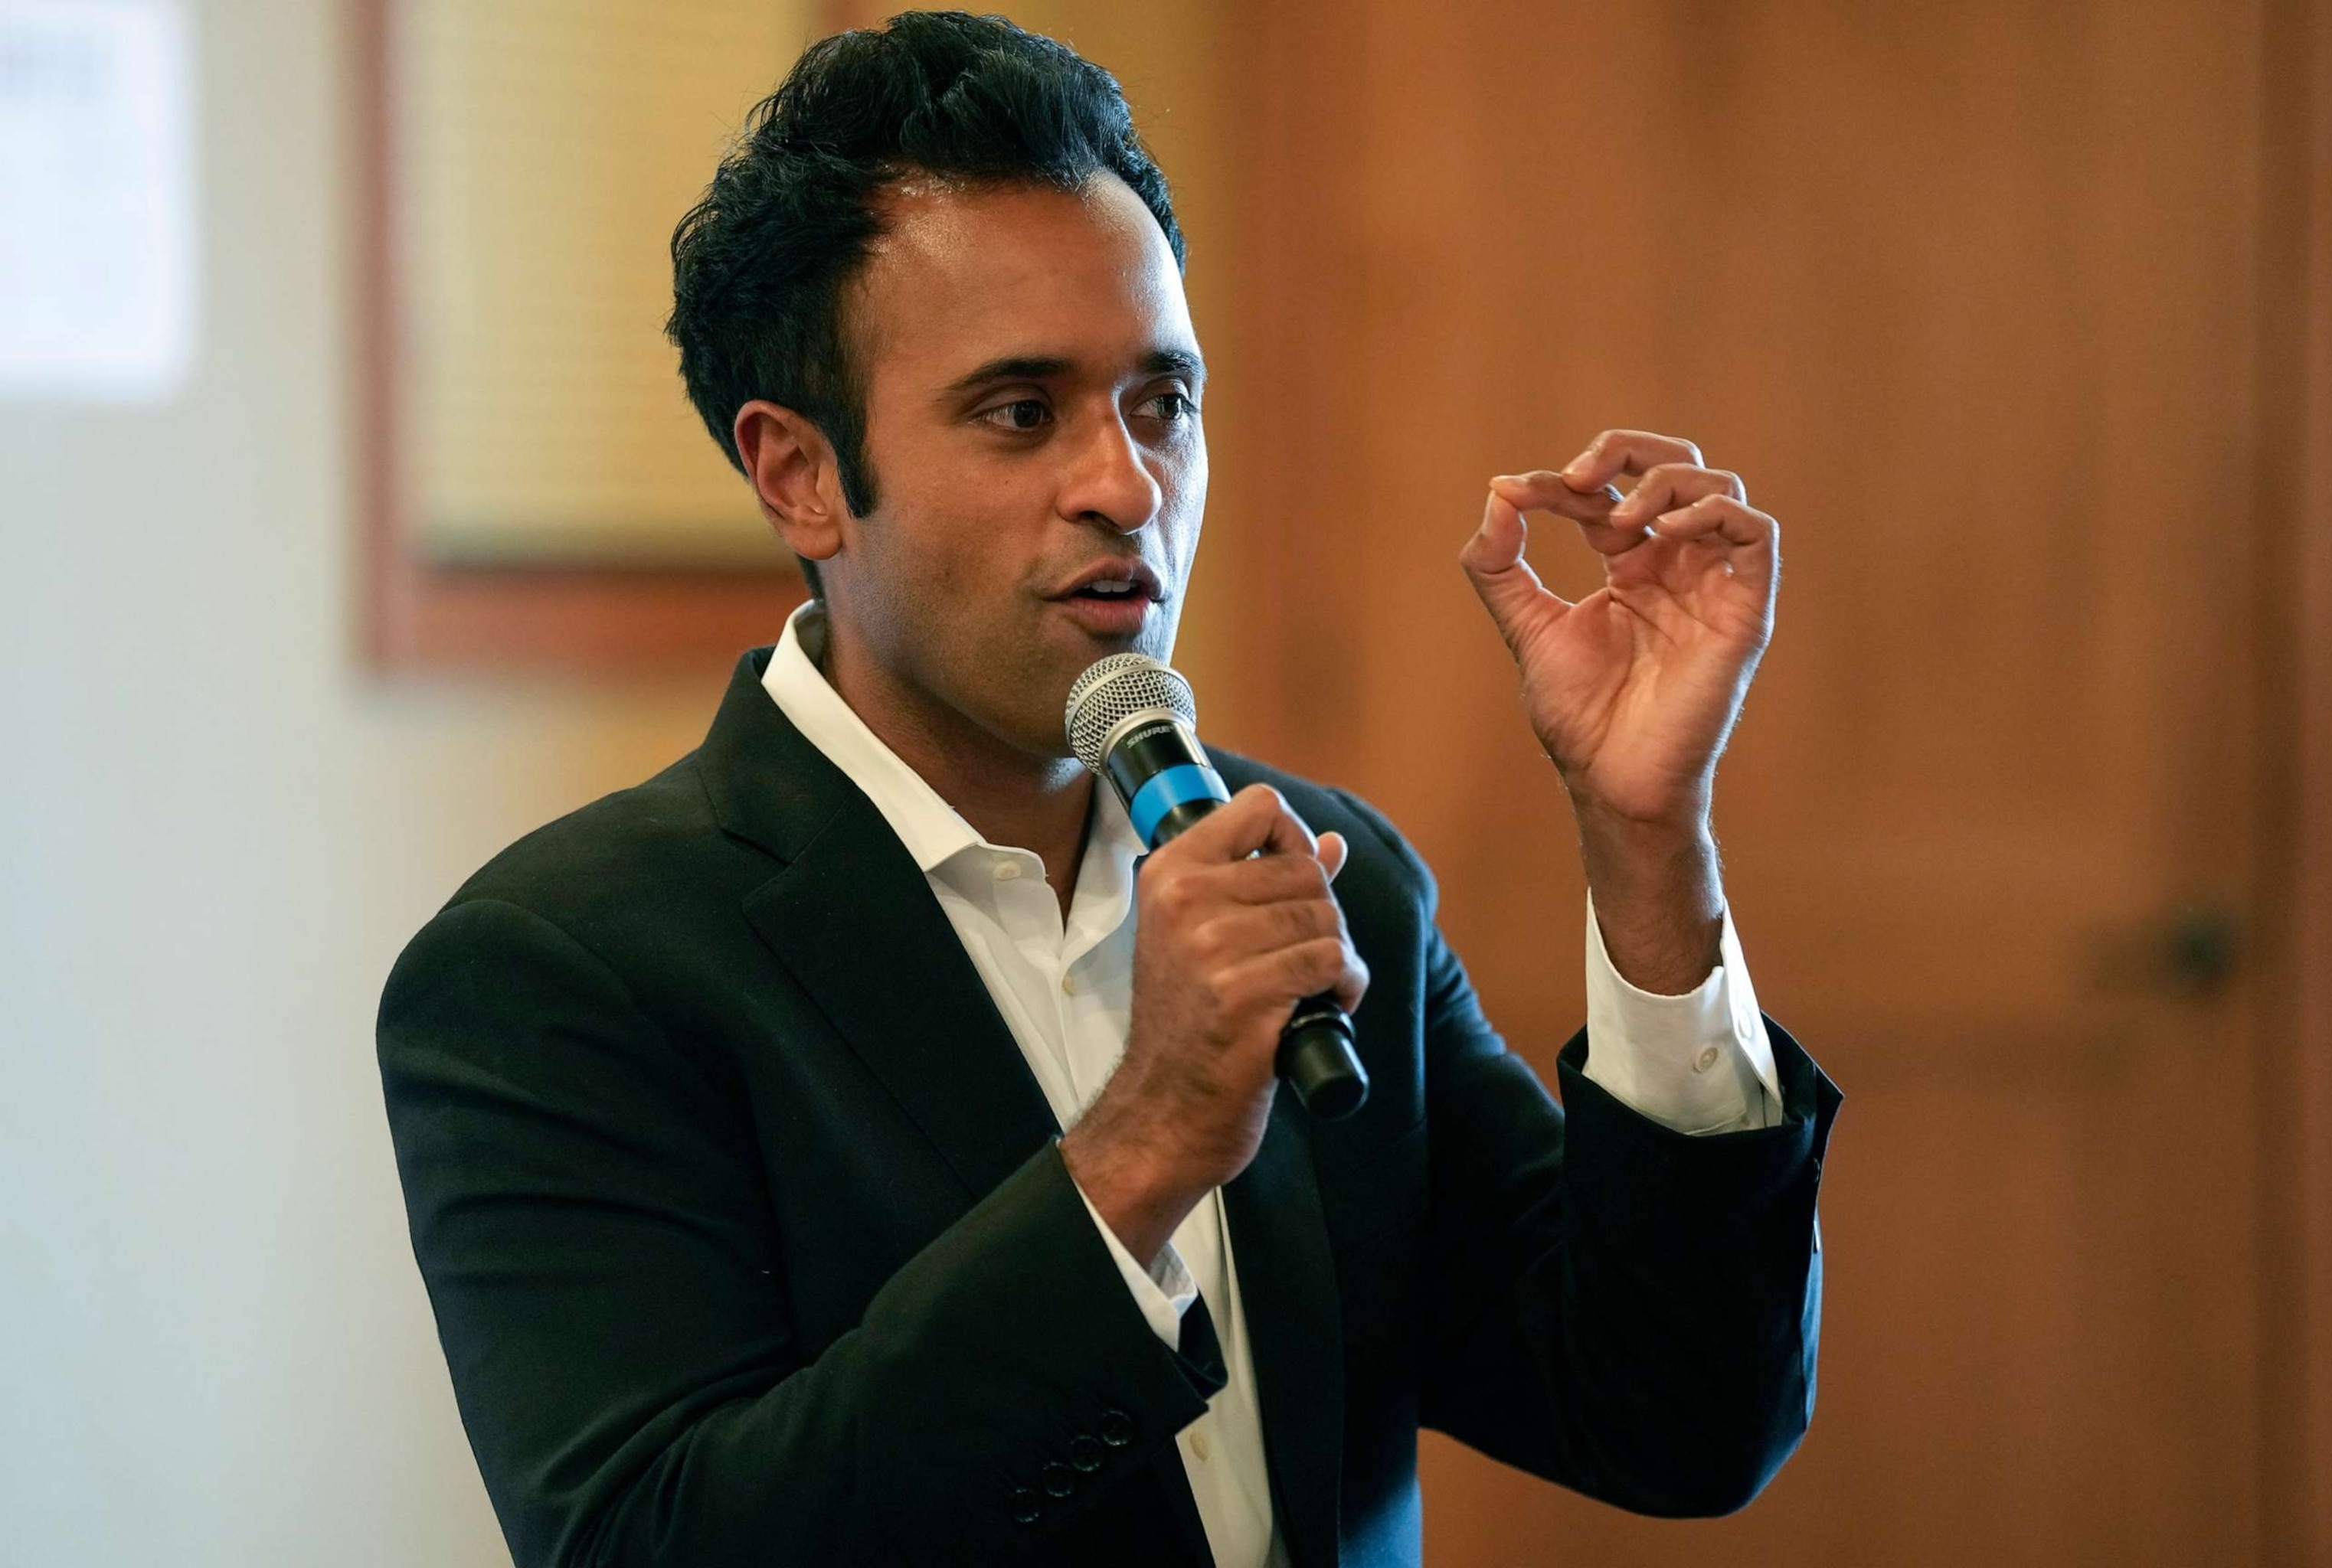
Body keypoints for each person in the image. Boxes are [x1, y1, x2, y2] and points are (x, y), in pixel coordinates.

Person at [376, 12, 1840, 1566]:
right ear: (798, 474)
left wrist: (1646, 839)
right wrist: (1140, 1146)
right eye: (1022, 412)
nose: (1128, 485)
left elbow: (1680, 1424)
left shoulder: (1330, 883)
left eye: (1164, 401)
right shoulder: (559, 971)